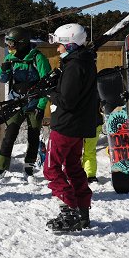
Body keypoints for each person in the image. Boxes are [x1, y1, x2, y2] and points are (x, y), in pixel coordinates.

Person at [44, 23, 96, 232]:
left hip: (65, 125)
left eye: (60, 45)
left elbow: (67, 100)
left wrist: (50, 92)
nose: (58, 49)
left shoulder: (74, 66)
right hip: (78, 125)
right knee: (73, 167)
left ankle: (69, 210)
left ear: (70, 44)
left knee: (51, 169)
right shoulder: (84, 61)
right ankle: (83, 212)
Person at [0, 27, 51, 179]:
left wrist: (41, 105)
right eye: (8, 43)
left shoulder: (37, 58)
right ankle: (1, 166)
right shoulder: (10, 58)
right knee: (10, 134)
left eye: (12, 43)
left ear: (22, 43)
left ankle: (29, 167)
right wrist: (4, 70)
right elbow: (2, 79)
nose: (9, 47)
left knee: (33, 136)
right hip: (16, 102)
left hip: (34, 103)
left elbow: (47, 84)